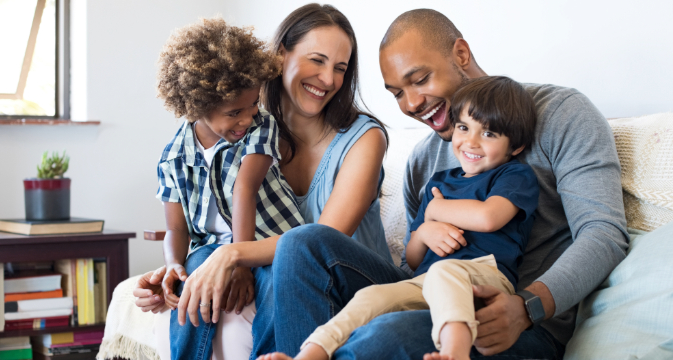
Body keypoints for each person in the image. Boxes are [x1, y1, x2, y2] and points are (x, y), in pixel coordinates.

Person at [269, 8, 628, 359]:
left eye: (421, 79)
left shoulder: (560, 113)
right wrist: (423, 235)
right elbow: (417, 264)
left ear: (461, 54)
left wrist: (526, 307)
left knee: (384, 335)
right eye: (396, 93)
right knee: (302, 243)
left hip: (518, 323)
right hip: (433, 297)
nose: (411, 104)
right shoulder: (423, 161)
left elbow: (604, 233)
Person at [133, 4, 402, 359]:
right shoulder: (242, 129)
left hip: (347, 284)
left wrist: (232, 256)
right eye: (317, 60)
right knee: (201, 301)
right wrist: (179, 271)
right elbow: (210, 223)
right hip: (278, 273)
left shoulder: (364, 139)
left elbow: (316, 246)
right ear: (279, 56)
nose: (329, 80)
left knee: (277, 277)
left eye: (340, 68)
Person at [259, 75, 539, 360]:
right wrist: (424, 234)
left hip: (485, 280)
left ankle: (455, 352)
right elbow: (414, 258)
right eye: (464, 127)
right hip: (428, 282)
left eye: (489, 134)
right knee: (371, 297)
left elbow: (489, 218)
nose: (471, 142)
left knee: (446, 271)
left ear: (514, 147)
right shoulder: (439, 182)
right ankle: (307, 355)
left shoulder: (513, 175)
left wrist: (434, 212)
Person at [151, 17, 307, 360]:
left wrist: (239, 263)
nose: (247, 118)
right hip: (211, 248)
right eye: (235, 111)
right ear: (198, 107)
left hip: (271, 243)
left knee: (275, 286)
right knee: (193, 275)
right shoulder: (173, 157)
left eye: (253, 105)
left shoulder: (260, 127)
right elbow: (176, 227)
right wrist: (174, 264)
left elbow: (244, 189)